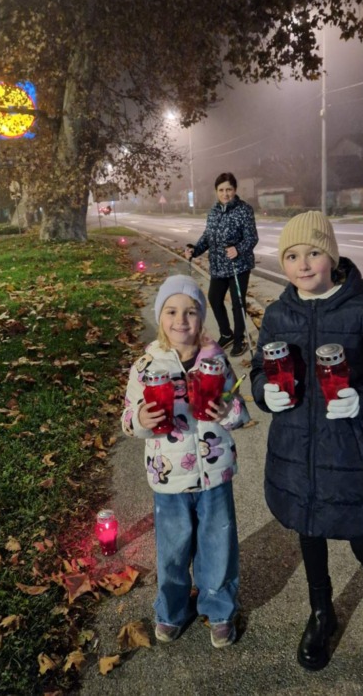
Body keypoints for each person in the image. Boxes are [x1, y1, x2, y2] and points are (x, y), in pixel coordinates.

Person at [249, 211, 363, 695]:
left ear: (333, 255)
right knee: (308, 532)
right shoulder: (279, 312)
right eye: (292, 256)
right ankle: (321, 612)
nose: (304, 265)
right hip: (295, 452)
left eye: (314, 253)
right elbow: (260, 365)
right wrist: (264, 392)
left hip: (349, 452)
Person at [121, 275, 250, 648]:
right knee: (173, 549)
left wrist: (228, 411)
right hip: (170, 478)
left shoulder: (215, 360)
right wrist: (140, 421)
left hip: (215, 474)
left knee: (218, 545)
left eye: (191, 312)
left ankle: (220, 607)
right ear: (160, 316)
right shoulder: (145, 366)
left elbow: (238, 409)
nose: (182, 320)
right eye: (172, 311)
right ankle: (172, 608)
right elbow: (129, 417)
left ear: (202, 318)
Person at [185, 173, 259, 357]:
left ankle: (240, 339)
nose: (225, 194)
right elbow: (208, 237)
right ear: (216, 191)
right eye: (221, 190)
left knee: (237, 303)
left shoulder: (244, 210)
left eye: (229, 190)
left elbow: (252, 237)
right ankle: (227, 333)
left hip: (238, 265)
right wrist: (195, 250)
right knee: (215, 299)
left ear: (235, 190)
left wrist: (239, 249)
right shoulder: (214, 212)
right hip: (218, 266)